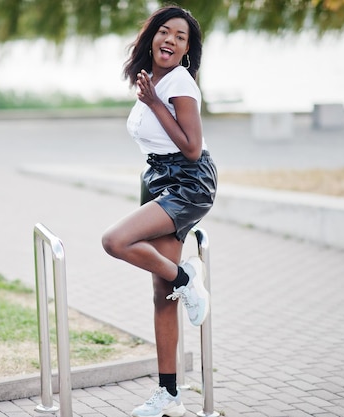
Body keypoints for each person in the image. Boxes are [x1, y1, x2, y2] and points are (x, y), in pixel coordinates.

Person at [101, 5, 217, 417]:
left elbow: (191, 148)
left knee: (115, 240)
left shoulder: (179, 84)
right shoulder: (152, 79)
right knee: (161, 295)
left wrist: (154, 103)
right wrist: (150, 97)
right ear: (151, 36)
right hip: (157, 179)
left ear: (187, 49)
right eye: (164, 32)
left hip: (188, 182)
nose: (169, 40)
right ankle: (169, 394)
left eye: (180, 37)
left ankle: (188, 275)